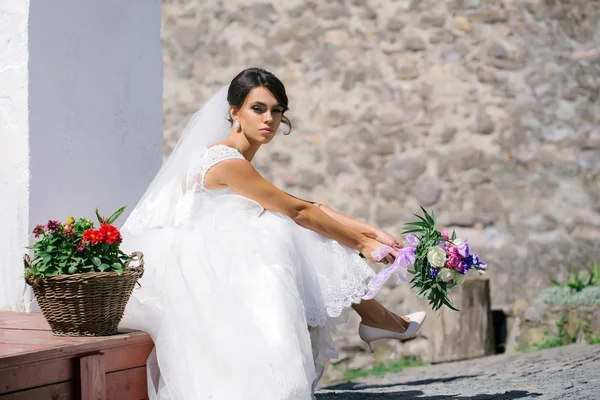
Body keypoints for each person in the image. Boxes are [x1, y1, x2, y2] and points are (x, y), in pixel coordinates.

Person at [119, 67, 426, 400]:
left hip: (213, 256)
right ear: (234, 112)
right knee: (285, 230)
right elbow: (296, 211)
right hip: (204, 267)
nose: (269, 119)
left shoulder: (227, 155)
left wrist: (367, 229)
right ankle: (379, 319)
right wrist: (363, 243)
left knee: (286, 228)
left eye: (277, 110)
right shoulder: (226, 161)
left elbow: (302, 205)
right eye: (258, 108)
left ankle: (379, 319)